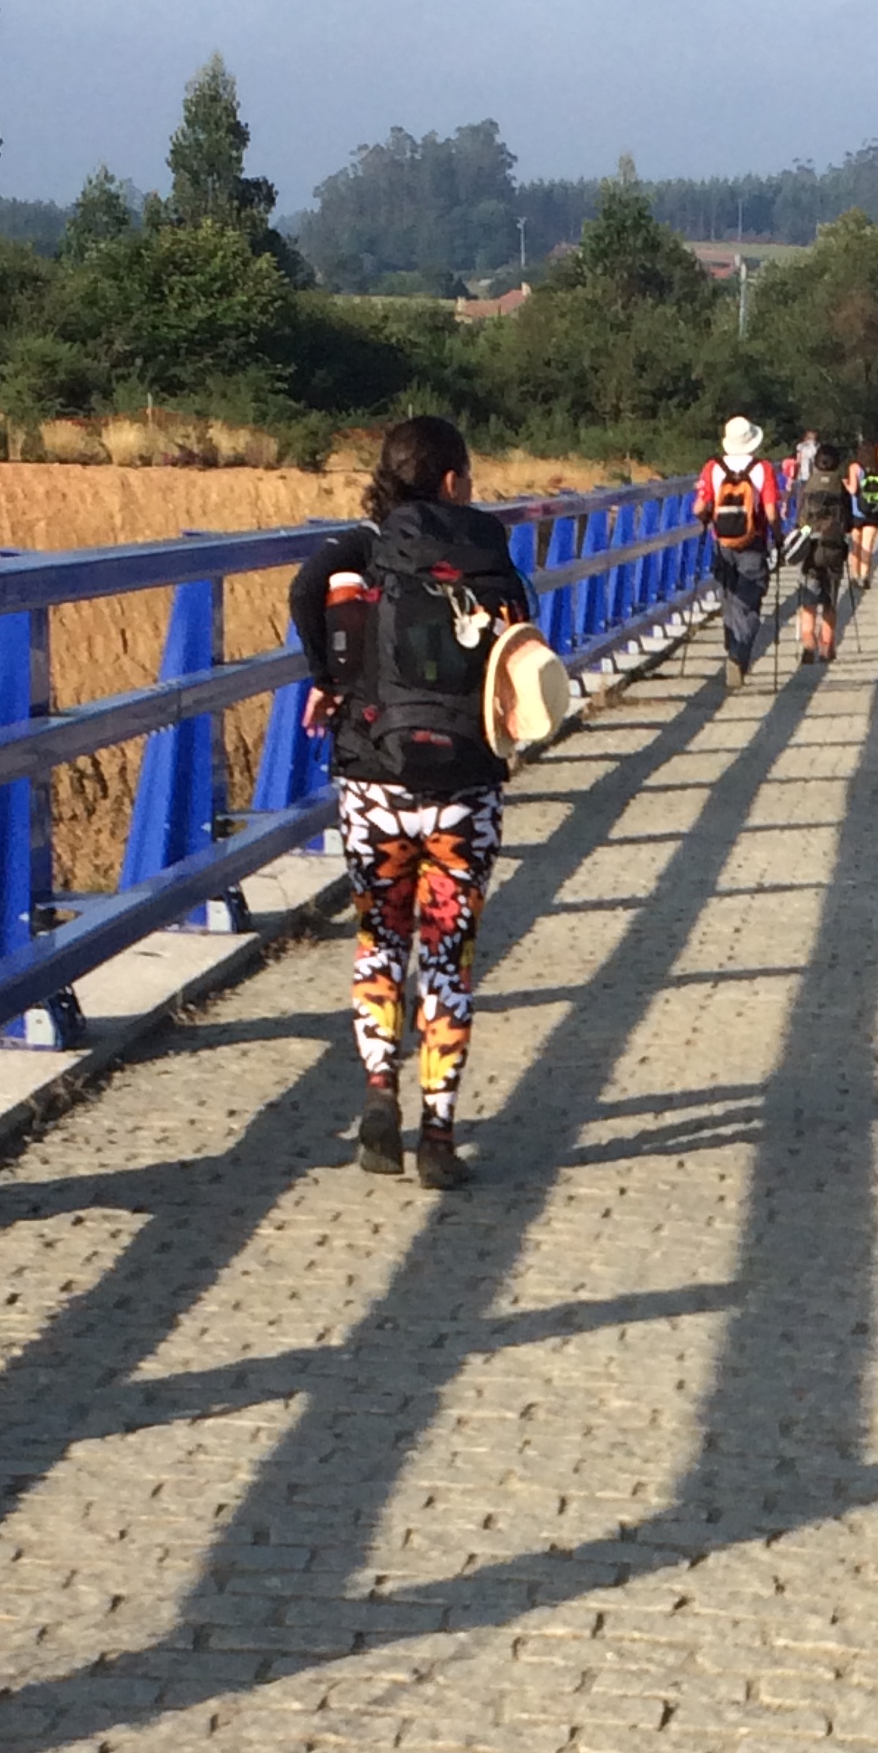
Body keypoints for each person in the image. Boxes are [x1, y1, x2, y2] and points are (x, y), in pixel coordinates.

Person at [291, 413, 532, 1190]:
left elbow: (306, 588)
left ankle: (376, 1093)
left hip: (374, 780)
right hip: (464, 787)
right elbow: (525, 657)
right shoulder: (489, 554)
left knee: (380, 937)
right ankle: (437, 1138)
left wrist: (329, 680)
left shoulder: (362, 549)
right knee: (448, 959)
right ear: (453, 481)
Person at [694, 415, 785, 689]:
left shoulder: (713, 467)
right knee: (750, 602)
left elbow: (699, 508)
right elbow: (771, 512)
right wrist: (779, 537)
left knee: (730, 599)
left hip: (722, 543)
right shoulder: (762, 468)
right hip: (753, 543)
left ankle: (732, 646)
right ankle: (738, 653)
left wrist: (706, 520)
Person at [794, 442, 854, 666]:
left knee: (808, 600)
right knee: (830, 601)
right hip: (834, 550)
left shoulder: (807, 488)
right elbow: (849, 523)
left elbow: (800, 522)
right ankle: (827, 647)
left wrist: (806, 532)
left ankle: (808, 642)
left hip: (811, 550)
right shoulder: (841, 489)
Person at [851, 442, 878, 589]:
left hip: (856, 512)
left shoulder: (855, 468)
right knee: (867, 546)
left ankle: (855, 576)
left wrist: (846, 484)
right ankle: (865, 576)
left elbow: (853, 489)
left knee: (856, 546)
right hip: (873, 512)